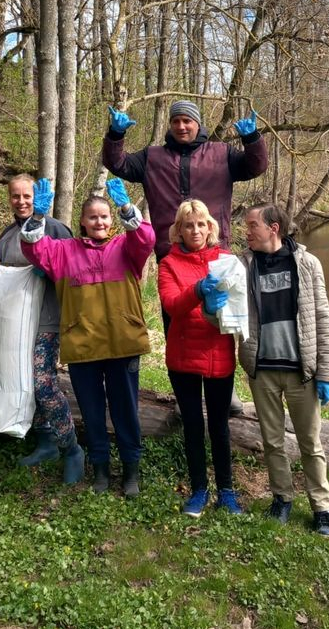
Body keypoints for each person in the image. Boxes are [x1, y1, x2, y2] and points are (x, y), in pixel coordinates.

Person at [103, 98, 268, 415]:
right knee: (177, 325)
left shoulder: (221, 154)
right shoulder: (153, 157)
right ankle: (185, 394)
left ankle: (226, 390)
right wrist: (115, 135)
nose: (181, 126)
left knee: (221, 322)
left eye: (187, 121)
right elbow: (119, 164)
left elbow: (255, 166)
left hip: (215, 254)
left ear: (198, 124)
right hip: (172, 255)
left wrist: (252, 139)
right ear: (170, 125)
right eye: (176, 121)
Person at [20, 177, 155, 498]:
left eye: (104, 216)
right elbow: (33, 248)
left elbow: (146, 238)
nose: (99, 222)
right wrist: (37, 216)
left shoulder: (126, 248)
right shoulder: (64, 252)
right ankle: (101, 469)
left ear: (111, 220)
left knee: (126, 410)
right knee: (92, 412)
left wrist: (126, 207)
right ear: (82, 221)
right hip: (83, 347)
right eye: (92, 217)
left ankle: (131, 469)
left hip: (123, 344)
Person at [233, 203, 329, 537]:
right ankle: (282, 498)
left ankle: (322, 508)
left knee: (311, 443)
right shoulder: (241, 266)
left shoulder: (307, 264)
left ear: (273, 227)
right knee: (272, 441)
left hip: (301, 371)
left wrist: (327, 372)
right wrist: (210, 301)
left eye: (252, 225)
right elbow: (223, 316)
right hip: (262, 369)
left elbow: (323, 319)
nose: (247, 232)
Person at [0, 175, 85, 484]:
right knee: (24, 379)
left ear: (37, 197)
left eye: (27, 196)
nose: (21, 201)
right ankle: (45, 441)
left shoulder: (56, 228)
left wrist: (50, 269)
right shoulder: (7, 235)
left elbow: (76, 268)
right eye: (15, 196)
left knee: (43, 384)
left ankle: (71, 448)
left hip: (47, 318)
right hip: (15, 321)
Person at [158, 200, 242, 516]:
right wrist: (198, 290)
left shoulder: (226, 260)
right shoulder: (169, 264)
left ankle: (227, 492)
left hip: (219, 353)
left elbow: (238, 306)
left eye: (201, 224)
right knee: (193, 426)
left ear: (210, 228)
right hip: (183, 357)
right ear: (178, 231)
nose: (195, 230)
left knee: (219, 426)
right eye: (188, 225)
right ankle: (198, 491)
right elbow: (171, 305)